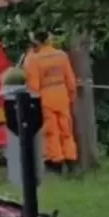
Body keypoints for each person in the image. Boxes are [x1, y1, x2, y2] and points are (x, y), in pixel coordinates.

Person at [23, 29, 79, 174]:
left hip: (45, 97)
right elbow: (70, 79)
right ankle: (71, 159)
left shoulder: (33, 59)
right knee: (66, 129)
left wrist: (32, 103)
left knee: (51, 131)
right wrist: (71, 96)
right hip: (62, 94)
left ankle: (55, 162)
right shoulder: (61, 55)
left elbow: (33, 85)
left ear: (35, 41)